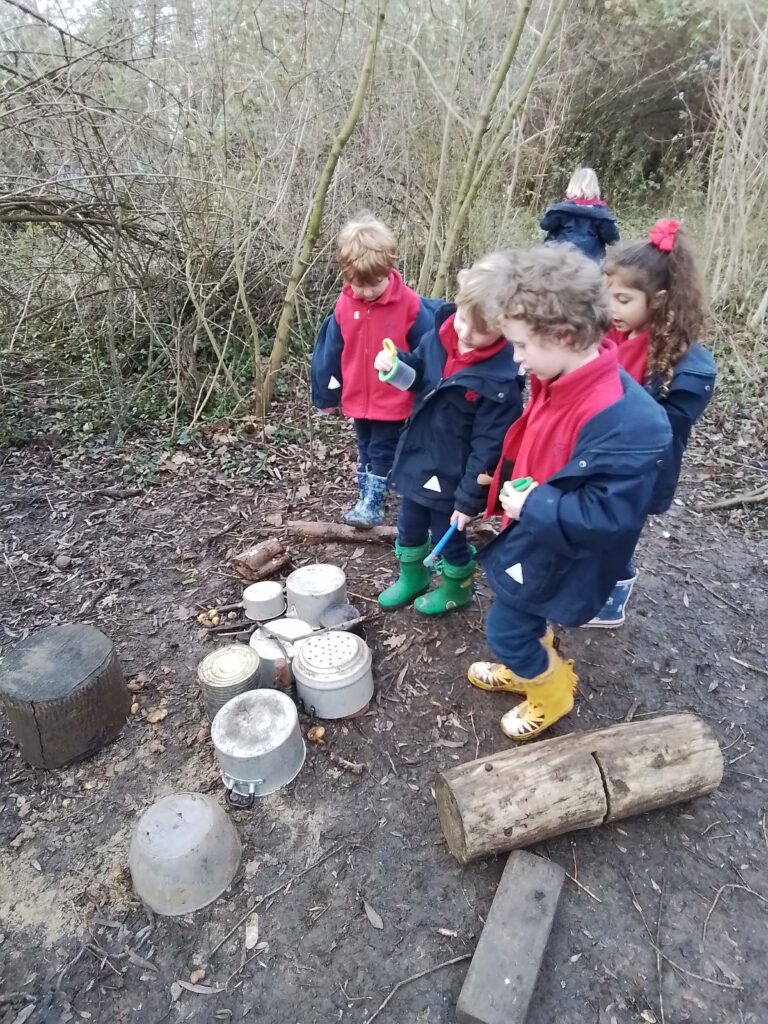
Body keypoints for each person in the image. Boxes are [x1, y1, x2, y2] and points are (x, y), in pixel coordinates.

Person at [466, 244, 671, 741]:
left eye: (519, 344)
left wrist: (535, 504)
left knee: (505, 630)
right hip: (536, 529)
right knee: (521, 619)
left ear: (561, 334)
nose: (514, 358)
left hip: (559, 547)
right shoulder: (558, 374)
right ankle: (531, 661)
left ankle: (550, 689)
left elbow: (613, 518)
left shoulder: (626, 421)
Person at [583, 218, 716, 627]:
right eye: (607, 297)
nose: (610, 309)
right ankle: (591, 582)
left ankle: (612, 601)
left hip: (642, 471)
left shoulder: (687, 370)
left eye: (622, 300)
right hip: (601, 454)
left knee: (619, 535)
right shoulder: (615, 334)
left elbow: (660, 430)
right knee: (595, 526)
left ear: (658, 301)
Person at [372, 259, 523, 616]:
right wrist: (395, 367)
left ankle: (457, 586)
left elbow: (490, 448)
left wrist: (469, 499)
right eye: (464, 318)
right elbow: (421, 374)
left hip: (455, 475)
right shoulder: (440, 336)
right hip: (419, 453)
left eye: (482, 328)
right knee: (408, 522)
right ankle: (413, 577)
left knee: (449, 532)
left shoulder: (500, 382)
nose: (467, 332)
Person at [311, 213, 436, 528]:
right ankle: (366, 495)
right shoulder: (345, 304)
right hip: (358, 393)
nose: (365, 292)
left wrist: (405, 368)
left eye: (373, 285)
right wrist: (328, 394)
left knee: (381, 447)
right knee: (364, 445)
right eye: (358, 285)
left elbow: (427, 350)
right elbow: (332, 350)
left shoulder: (407, 305)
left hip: (391, 396)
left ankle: (374, 503)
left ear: (388, 269)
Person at [540, 167, 619, 262]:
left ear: (572, 185)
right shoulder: (601, 214)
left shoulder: (561, 210)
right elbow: (612, 239)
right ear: (595, 187)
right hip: (591, 264)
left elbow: (545, 225)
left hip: (561, 262)